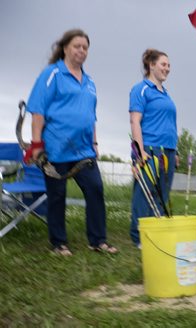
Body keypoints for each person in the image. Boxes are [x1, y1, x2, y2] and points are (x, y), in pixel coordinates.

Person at [26, 29, 118, 256]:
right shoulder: (52, 74)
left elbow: (90, 117)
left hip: (84, 150)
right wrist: (36, 145)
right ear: (65, 47)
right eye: (77, 46)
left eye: (85, 47)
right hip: (55, 149)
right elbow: (37, 111)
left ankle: (98, 240)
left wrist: (95, 144)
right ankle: (59, 244)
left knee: (95, 189)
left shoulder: (90, 82)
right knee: (57, 196)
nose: (82, 51)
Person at [129, 49, 178, 248]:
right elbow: (135, 121)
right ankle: (138, 236)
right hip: (149, 149)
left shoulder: (165, 94)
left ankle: (154, 233)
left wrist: (175, 151)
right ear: (151, 65)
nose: (167, 68)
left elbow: (169, 124)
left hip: (168, 151)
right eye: (163, 64)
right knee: (144, 194)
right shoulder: (141, 89)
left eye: (168, 65)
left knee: (161, 195)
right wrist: (140, 151)